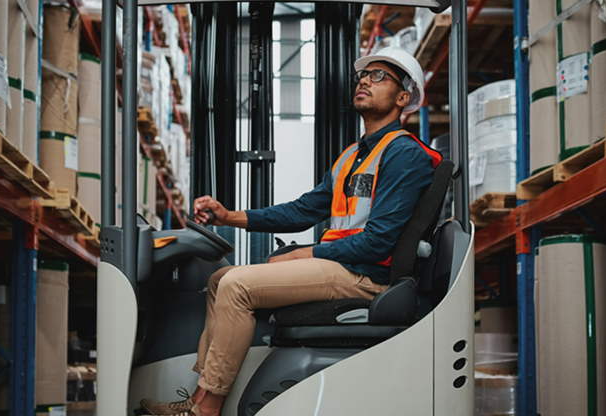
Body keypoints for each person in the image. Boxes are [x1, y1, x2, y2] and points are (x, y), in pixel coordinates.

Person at [139, 46, 442, 416]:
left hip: (367, 275)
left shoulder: (404, 154)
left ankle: (207, 408)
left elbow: (379, 240)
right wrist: (228, 216)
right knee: (221, 279)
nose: (364, 80)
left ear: (402, 97)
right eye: (363, 75)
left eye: (379, 76)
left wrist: (307, 252)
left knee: (238, 287)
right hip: (343, 265)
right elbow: (302, 211)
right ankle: (201, 396)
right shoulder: (353, 155)